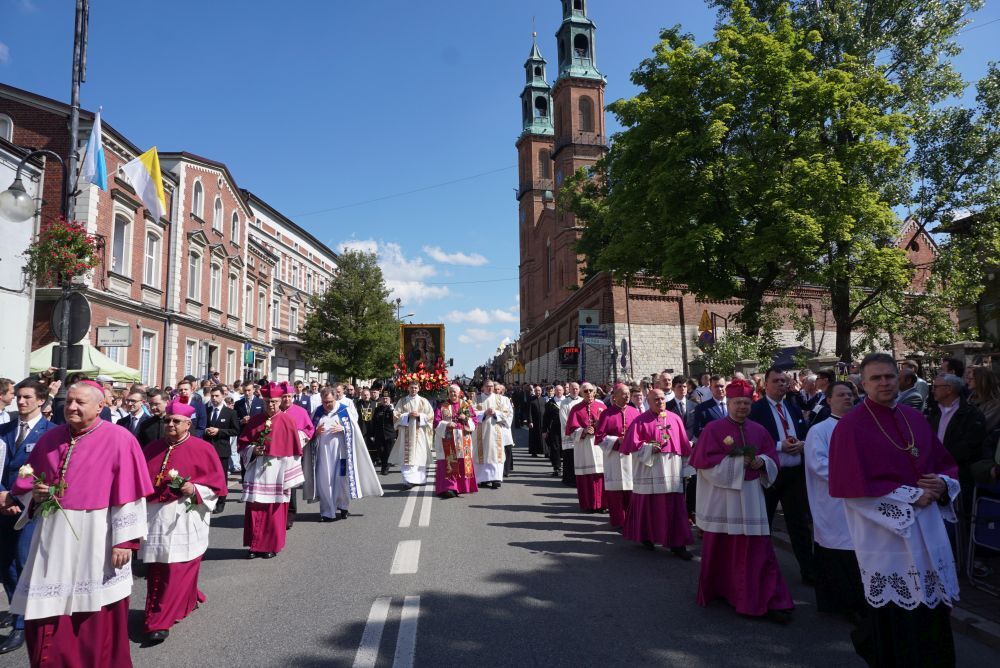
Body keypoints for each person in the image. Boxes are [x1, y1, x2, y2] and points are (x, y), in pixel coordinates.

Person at [3, 381, 153, 665]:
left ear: (100, 406)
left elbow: (130, 494)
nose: (71, 407)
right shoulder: (50, 438)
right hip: (51, 534)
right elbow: (31, 486)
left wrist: (125, 540)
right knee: (46, 604)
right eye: (69, 401)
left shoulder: (120, 439)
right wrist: (36, 495)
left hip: (96, 532)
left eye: (80, 402)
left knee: (92, 608)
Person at [829, 353, 960, 667]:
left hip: (928, 529)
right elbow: (851, 489)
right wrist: (912, 497)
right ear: (863, 384)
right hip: (886, 537)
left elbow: (944, 464)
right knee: (898, 616)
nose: (884, 383)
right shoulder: (850, 427)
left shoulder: (914, 417)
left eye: (889, 376)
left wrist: (942, 484)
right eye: (876, 378)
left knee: (933, 611)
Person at [692, 378, 793, 621]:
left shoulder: (759, 430)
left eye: (746, 403)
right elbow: (704, 465)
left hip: (750, 496)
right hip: (723, 498)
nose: (742, 407)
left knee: (758, 549)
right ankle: (725, 591)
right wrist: (738, 463)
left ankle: (766, 597)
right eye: (738, 402)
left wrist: (762, 462)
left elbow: (772, 457)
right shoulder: (713, 429)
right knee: (723, 547)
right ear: (729, 403)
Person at [139, 400, 227, 643]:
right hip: (155, 515)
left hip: (185, 515)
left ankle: (158, 621)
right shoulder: (152, 448)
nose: (170, 424)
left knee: (178, 566)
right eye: (167, 420)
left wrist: (194, 488)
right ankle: (183, 602)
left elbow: (216, 486)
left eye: (176, 421)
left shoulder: (202, 448)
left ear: (188, 424)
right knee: (157, 566)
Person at [0, 380, 56, 654]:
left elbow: (51, 472)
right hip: (3, 507)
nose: (21, 402)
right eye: (19, 397)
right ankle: (16, 607)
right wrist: (2, 494)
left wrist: (18, 498)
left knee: (24, 562)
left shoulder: (52, 433)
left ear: (41, 400)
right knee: (4, 564)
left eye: (27, 397)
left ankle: (22, 625)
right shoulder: (4, 430)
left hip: (31, 509)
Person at [803, 381, 865, 619]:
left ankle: (860, 602)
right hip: (832, 501)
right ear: (828, 400)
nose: (847, 398)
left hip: (862, 500)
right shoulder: (819, 430)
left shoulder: (863, 427)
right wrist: (855, 477)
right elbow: (818, 465)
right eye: (841, 395)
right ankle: (841, 604)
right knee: (836, 549)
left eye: (850, 394)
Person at [749, 367, 816, 584]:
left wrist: (801, 444)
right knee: (764, 523)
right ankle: (763, 571)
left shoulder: (792, 406)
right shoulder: (756, 410)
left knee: (799, 524)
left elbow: (803, 432)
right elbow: (753, 440)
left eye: (783, 381)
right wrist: (779, 446)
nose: (781, 384)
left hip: (794, 474)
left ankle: (808, 571)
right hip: (770, 474)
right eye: (776, 381)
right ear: (766, 384)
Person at [619, 388, 694, 558]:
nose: (660, 402)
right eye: (656, 399)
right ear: (648, 401)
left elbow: (683, 446)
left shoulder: (675, 419)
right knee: (648, 506)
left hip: (671, 471)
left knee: (674, 507)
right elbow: (632, 447)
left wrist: (687, 469)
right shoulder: (640, 421)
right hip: (649, 470)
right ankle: (646, 536)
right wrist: (648, 448)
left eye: (662, 399)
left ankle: (678, 544)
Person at [237, 382, 304, 559]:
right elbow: (242, 444)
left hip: (278, 472)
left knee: (274, 511)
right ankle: (254, 546)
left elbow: (295, 452)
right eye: (267, 402)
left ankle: (271, 546)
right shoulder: (255, 421)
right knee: (255, 509)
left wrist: (289, 476)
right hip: (257, 471)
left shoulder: (288, 421)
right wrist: (253, 450)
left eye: (274, 402)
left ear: (280, 401)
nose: (271, 405)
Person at [305, 389, 383, 521]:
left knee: (341, 480)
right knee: (324, 482)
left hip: (342, 456)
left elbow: (355, 431)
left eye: (330, 402)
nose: (327, 405)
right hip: (323, 456)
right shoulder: (318, 412)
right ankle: (327, 512)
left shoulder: (344, 411)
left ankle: (343, 506)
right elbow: (309, 432)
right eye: (324, 402)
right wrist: (315, 432)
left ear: (335, 399)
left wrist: (344, 429)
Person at [928, 373, 986, 539]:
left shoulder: (971, 414)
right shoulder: (934, 412)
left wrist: (943, 461)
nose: (933, 390)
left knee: (959, 524)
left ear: (949, 389)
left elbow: (970, 445)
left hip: (959, 475)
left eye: (936, 387)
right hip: (935, 474)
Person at [594, 384, 639, 530]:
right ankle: (618, 520)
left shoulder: (635, 412)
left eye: (628, 393)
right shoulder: (606, 414)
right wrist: (617, 440)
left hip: (632, 457)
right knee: (616, 491)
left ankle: (632, 519)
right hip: (614, 457)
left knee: (632, 489)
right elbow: (600, 438)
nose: (627, 396)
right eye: (624, 394)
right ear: (615, 397)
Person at [565, 383, 608, 511]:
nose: (588, 393)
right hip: (583, 446)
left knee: (601, 475)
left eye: (590, 390)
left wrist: (600, 427)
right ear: (581, 393)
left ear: (594, 392)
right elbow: (570, 431)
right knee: (586, 476)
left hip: (599, 446)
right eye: (585, 391)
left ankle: (603, 504)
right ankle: (588, 504)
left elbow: (609, 426)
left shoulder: (602, 406)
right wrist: (583, 431)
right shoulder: (576, 409)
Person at [433, 386, 478, 499]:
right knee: (449, 462)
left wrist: (466, 418)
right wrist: (447, 424)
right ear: (448, 394)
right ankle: (450, 487)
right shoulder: (442, 406)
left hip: (463, 438)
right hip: (448, 437)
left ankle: (462, 487)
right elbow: (436, 422)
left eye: (455, 392)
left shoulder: (466, 405)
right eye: (451, 392)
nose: (453, 394)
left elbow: (474, 421)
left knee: (463, 461)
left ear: (459, 393)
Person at [388, 381, 435, 490]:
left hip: (420, 433)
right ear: (408, 388)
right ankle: (407, 481)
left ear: (419, 389)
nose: (413, 389)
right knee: (406, 456)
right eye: (411, 387)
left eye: (415, 388)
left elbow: (430, 415)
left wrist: (420, 415)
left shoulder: (423, 401)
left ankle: (419, 479)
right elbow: (396, 415)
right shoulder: (402, 401)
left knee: (419, 455)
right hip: (406, 433)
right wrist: (407, 415)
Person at [203, 386, 240, 514]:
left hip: (222, 450)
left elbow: (235, 430)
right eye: (212, 396)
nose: (214, 398)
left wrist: (219, 431)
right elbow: (201, 426)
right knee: (207, 475)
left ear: (223, 396)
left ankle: (221, 501)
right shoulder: (206, 410)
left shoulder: (230, 412)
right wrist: (205, 430)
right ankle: (209, 499)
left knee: (221, 476)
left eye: (217, 396)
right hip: (207, 449)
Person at [472, 381, 509, 490]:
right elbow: (471, 412)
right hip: (481, 431)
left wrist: (495, 413)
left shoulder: (500, 399)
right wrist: (484, 413)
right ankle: (482, 479)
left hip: (495, 431)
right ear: (483, 387)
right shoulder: (476, 398)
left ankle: (496, 479)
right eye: (487, 386)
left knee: (495, 453)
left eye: (492, 386)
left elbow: (506, 413)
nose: (490, 388)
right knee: (481, 453)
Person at [559, 382, 583, 487]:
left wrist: (581, 430)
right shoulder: (564, 402)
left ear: (579, 389)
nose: (575, 390)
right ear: (569, 389)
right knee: (569, 457)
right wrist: (573, 430)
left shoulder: (582, 401)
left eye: (576, 388)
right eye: (573, 388)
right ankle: (568, 479)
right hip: (569, 433)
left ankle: (578, 479)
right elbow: (564, 419)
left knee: (579, 458)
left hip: (581, 432)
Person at [372, 392, 397, 475]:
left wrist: (392, 411)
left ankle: (385, 468)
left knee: (388, 452)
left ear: (390, 400)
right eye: (383, 399)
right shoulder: (377, 409)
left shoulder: (393, 409)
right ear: (381, 400)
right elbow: (374, 422)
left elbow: (396, 421)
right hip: (379, 434)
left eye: (387, 399)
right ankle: (384, 465)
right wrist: (372, 434)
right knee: (381, 451)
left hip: (390, 434)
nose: (385, 400)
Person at [543, 385, 564, 477]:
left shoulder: (567, 401)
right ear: (554, 391)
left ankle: (567, 468)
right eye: (557, 390)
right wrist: (544, 430)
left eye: (560, 390)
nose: (559, 392)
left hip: (566, 428)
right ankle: (557, 468)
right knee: (555, 448)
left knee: (566, 448)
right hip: (554, 429)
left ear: (563, 391)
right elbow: (545, 418)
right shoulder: (550, 403)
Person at [527, 385, 546, 458]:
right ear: (534, 391)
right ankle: (534, 452)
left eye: (539, 391)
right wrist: (530, 421)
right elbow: (529, 411)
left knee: (543, 436)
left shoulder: (544, 399)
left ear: (541, 391)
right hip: (534, 421)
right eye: (536, 391)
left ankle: (544, 451)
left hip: (543, 421)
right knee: (534, 437)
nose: (538, 392)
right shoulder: (531, 399)